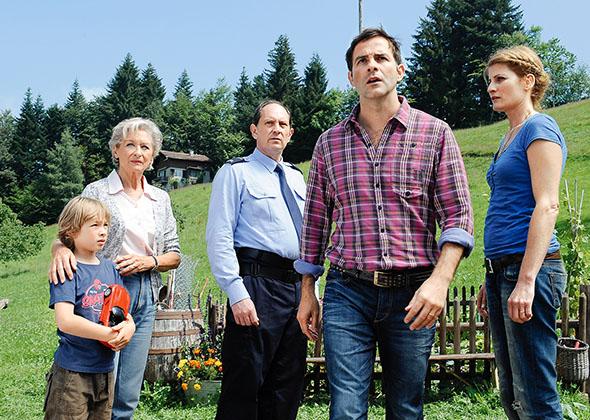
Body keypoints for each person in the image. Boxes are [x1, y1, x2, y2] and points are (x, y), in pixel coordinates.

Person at [295, 28, 474, 419]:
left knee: (406, 409)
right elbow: (315, 223)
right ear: (351, 77)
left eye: (380, 58)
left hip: (414, 292)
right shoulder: (329, 143)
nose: (371, 66)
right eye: (362, 61)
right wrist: (308, 290)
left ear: (399, 70)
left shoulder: (435, 133)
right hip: (347, 292)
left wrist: (440, 282)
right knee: (345, 409)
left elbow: (458, 214)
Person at [49, 117, 181, 420]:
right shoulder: (97, 191)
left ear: (153, 154)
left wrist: (150, 261)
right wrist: (59, 249)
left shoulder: (160, 199)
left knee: (129, 390)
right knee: (103, 378)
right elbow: (68, 231)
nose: (138, 152)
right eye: (130, 145)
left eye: (145, 147)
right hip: (106, 290)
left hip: (146, 292)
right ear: (116, 150)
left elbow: (174, 254)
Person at [477, 45, 567, 419]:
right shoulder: (509, 136)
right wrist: (491, 274)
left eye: (501, 79)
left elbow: (547, 205)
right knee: (513, 393)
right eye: (489, 81)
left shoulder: (538, 128)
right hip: (503, 269)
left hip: (530, 270)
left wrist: (527, 281)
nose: (491, 87)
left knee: (535, 396)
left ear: (527, 81)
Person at [206, 100, 307, 420]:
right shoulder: (235, 172)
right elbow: (219, 236)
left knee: (287, 386)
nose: (276, 129)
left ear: (291, 133)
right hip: (256, 285)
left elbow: (308, 240)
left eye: (282, 124)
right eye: (269, 123)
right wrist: (237, 293)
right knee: (245, 384)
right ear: (254, 130)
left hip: (296, 288)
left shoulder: (297, 177)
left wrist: (311, 294)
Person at [45, 196, 136, 420]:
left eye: (105, 225)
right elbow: (65, 321)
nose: (103, 232)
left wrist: (130, 327)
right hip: (73, 373)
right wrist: (108, 334)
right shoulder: (67, 269)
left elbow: (121, 311)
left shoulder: (111, 269)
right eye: (94, 225)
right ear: (71, 231)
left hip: (105, 371)